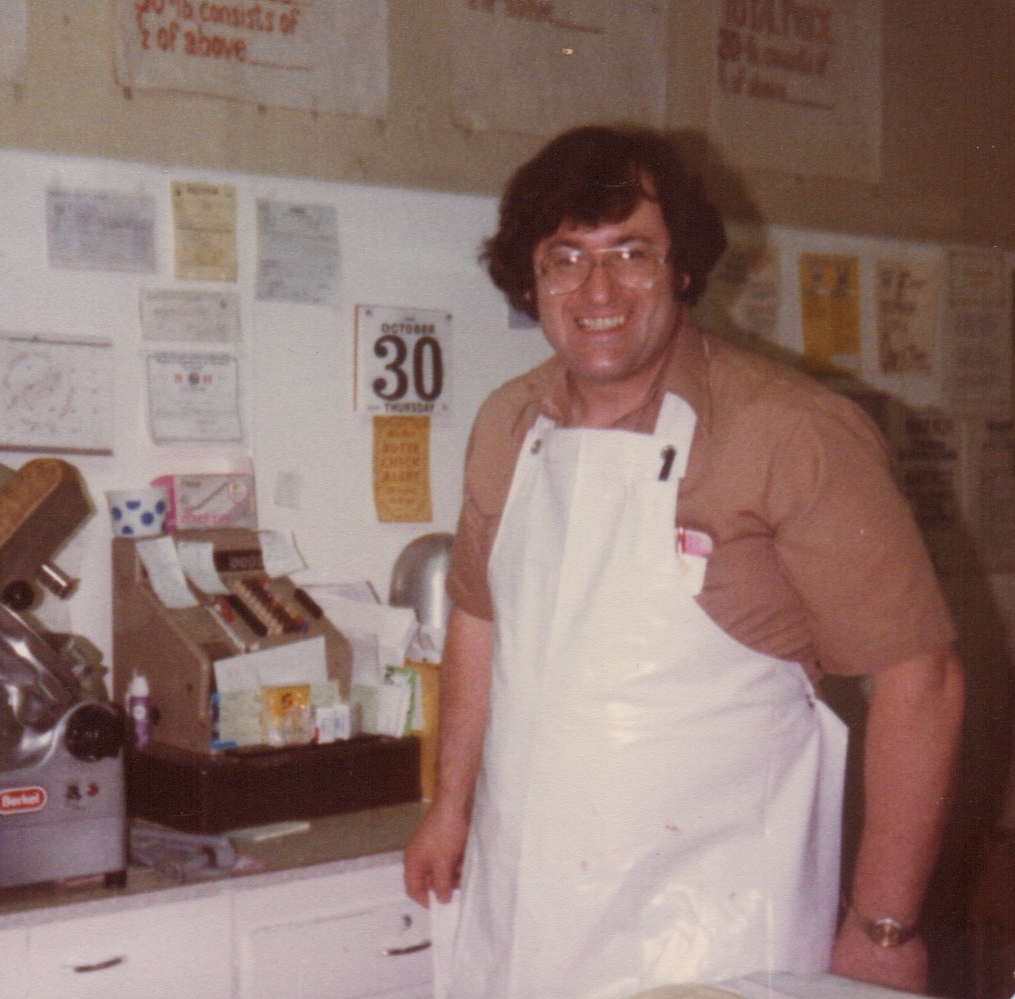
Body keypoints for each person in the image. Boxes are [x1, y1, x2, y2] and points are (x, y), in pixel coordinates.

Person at [402, 125, 965, 999]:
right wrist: (449, 806)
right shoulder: (507, 425)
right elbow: (478, 620)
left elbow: (920, 681)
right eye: (564, 257)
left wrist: (881, 924)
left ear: (684, 268)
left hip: (712, 932)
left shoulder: (789, 432)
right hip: (528, 916)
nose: (597, 288)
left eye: (631, 251)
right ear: (531, 278)